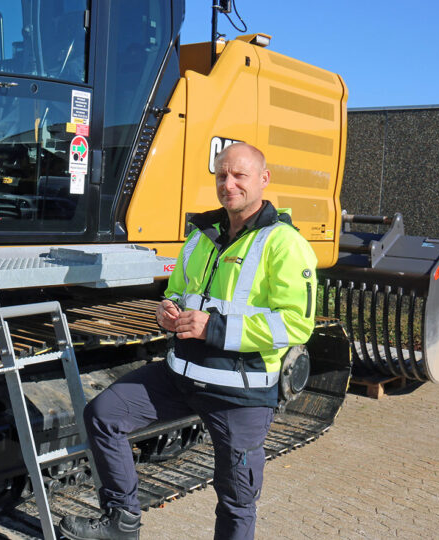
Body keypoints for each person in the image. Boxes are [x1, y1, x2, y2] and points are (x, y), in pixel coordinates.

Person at [59, 142, 318, 540]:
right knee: (103, 415)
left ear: (263, 180)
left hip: (240, 393)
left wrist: (212, 327)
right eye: (221, 176)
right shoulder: (200, 237)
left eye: (239, 176)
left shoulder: (285, 244)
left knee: (236, 500)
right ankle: (121, 523)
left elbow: (295, 325)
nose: (228, 184)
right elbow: (178, 293)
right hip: (181, 378)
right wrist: (168, 311)